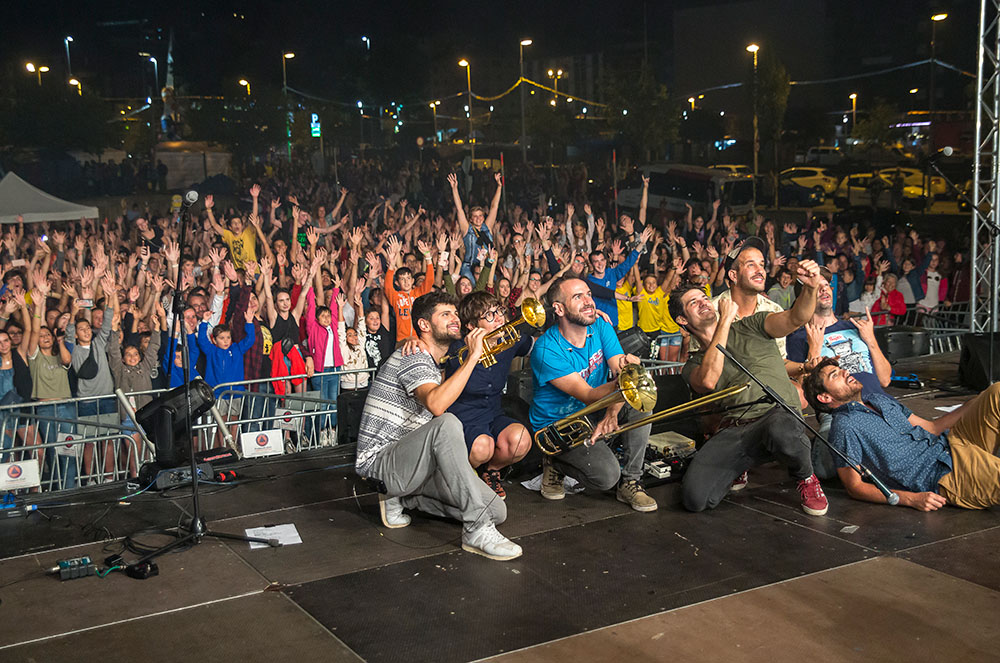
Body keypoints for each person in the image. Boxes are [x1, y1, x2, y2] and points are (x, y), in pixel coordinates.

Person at [354, 291, 521, 561]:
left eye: (455, 313)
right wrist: (474, 357)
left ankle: (404, 498)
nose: (455, 318)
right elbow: (436, 405)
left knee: (496, 510)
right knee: (447, 423)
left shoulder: (436, 362)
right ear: (424, 325)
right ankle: (476, 530)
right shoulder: (414, 357)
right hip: (380, 464)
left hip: (413, 465)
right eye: (446, 314)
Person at [668, 256, 829, 516]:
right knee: (694, 498)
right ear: (683, 321)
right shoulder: (693, 365)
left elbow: (796, 317)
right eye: (693, 303)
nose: (704, 304)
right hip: (737, 431)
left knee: (781, 425)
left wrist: (810, 288)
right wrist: (724, 322)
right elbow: (709, 380)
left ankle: (806, 476)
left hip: (776, 417)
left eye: (704, 298)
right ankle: (744, 462)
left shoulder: (753, 325)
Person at [529, 277, 657, 512]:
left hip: (595, 408)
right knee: (606, 477)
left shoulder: (600, 326)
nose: (589, 302)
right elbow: (588, 394)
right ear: (559, 309)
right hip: (559, 425)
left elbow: (620, 369)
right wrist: (627, 380)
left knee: (642, 403)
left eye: (588, 294)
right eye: (578, 297)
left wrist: (613, 409)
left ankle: (631, 481)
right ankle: (555, 462)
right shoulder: (546, 349)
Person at [803, 359, 1000, 511]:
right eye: (835, 375)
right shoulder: (844, 426)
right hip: (946, 474)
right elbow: (854, 486)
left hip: (952, 444)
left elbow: (931, 427)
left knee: (996, 392)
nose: (846, 372)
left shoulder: (878, 400)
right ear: (825, 397)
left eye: (841, 369)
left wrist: (976, 402)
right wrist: (910, 499)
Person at [443, 291, 532, 499]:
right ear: (472, 326)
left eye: (498, 311)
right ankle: (461, 477)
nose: (499, 317)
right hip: (464, 417)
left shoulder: (508, 340)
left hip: (493, 413)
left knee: (520, 440)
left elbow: (538, 343)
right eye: (489, 315)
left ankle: (491, 471)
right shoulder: (457, 350)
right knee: (483, 447)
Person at [448, 172, 503, 281]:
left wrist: (499, 186)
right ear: (471, 219)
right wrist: (454, 188)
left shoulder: (487, 227)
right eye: (475, 216)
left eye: (480, 216)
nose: (478, 219)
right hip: (469, 268)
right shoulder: (466, 229)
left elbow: (494, 207)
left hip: (487, 265)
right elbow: (459, 209)